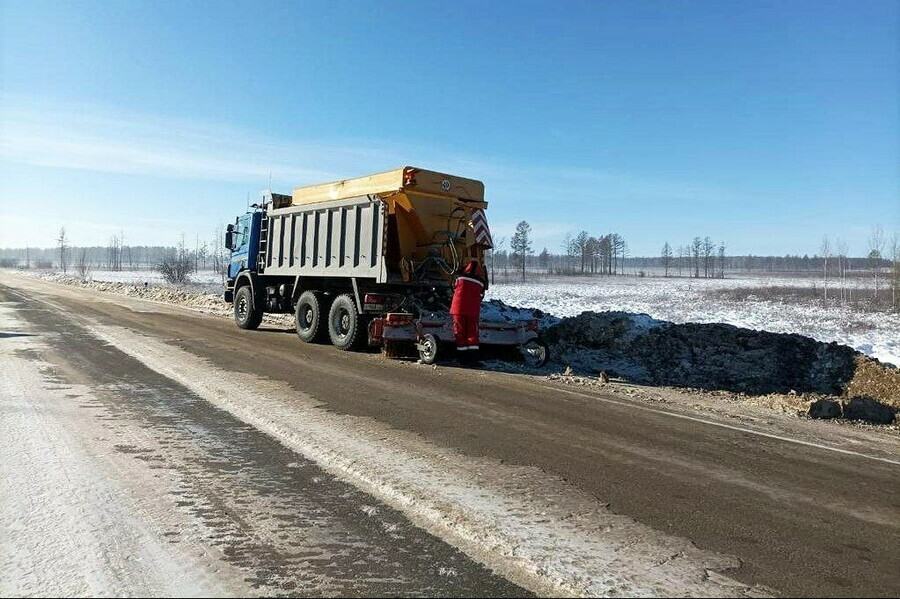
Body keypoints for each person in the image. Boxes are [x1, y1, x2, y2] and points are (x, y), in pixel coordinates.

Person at [450, 260, 485, 364]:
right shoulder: (480, 282)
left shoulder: (459, 278)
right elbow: (482, 292)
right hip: (473, 311)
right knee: (472, 333)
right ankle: (473, 358)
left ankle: (462, 357)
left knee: (459, 332)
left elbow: (453, 287)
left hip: (459, 309)